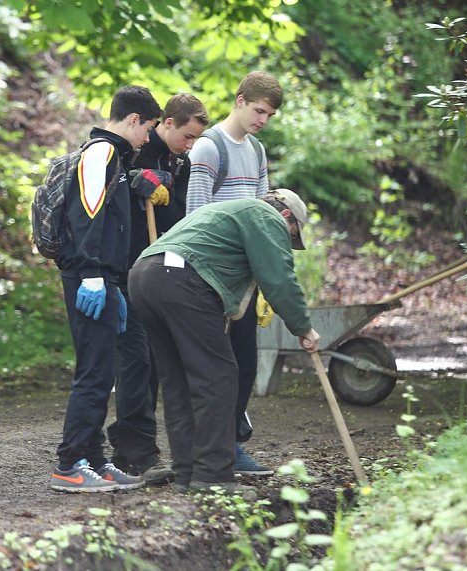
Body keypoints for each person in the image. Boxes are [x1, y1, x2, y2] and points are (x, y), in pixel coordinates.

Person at [128, 190, 321, 493]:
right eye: (292, 235)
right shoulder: (266, 216)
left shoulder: (231, 213)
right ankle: (213, 477)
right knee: (217, 376)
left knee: (179, 380)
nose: (289, 241)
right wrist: (303, 327)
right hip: (181, 279)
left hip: (144, 274)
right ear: (286, 216)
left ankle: (188, 473)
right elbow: (279, 278)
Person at [49, 85, 165, 493]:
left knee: (107, 368)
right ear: (133, 119)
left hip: (106, 277)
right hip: (88, 278)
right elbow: (87, 215)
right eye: (148, 128)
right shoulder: (99, 153)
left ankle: (95, 459)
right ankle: (70, 462)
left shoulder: (114, 156)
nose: (148, 138)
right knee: (94, 371)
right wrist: (94, 274)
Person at [185, 71, 283, 476]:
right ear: (240, 100)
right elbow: (194, 216)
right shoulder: (209, 148)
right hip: (211, 278)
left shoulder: (257, 150)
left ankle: (232, 442)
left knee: (244, 363)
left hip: (245, 279)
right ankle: (214, 449)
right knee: (217, 368)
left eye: (269, 115)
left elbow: (261, 215)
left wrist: (263, 274)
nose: (262, 119)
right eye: (258, 110)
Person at [107, 94, 208, 485]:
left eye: (196, 139)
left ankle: (138, 448)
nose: (190, 145)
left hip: (162, 274)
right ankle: (134, 451)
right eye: (186, 136)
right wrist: (136, 182)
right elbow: (111, 188)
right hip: (130, 271)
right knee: (136, 363)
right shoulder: (136, 149)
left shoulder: (177, 161)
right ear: (165, 123)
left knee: (152, 362)